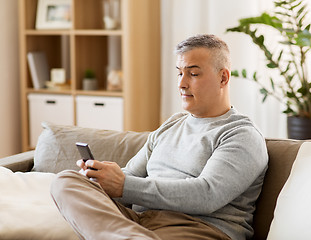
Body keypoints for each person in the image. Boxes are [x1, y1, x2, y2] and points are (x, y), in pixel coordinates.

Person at [50, 34, 268, 240]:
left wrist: (124, 185)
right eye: (179, 73)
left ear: (223, 77)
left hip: (197, 229)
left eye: (193, 73)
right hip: (138, 224)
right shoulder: (172, 124)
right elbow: (129, 177)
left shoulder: (240, 134)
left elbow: (207, 195)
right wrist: (99, 178)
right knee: (66, 181)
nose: (182, 84)